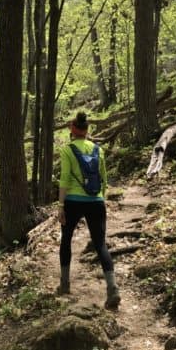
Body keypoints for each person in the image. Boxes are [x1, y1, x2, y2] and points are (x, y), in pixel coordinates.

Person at [57, 112, 121, 310]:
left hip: (73, 201)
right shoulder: (97, 150)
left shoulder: (67, 150)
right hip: (96, 201)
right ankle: (112, 289)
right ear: (86, 131)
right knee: (101, 244)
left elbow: (65, 178)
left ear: (73, 131)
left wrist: (60, 205)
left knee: (66, 239)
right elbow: (104, 178)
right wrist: (101, 197)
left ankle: (65, 285)